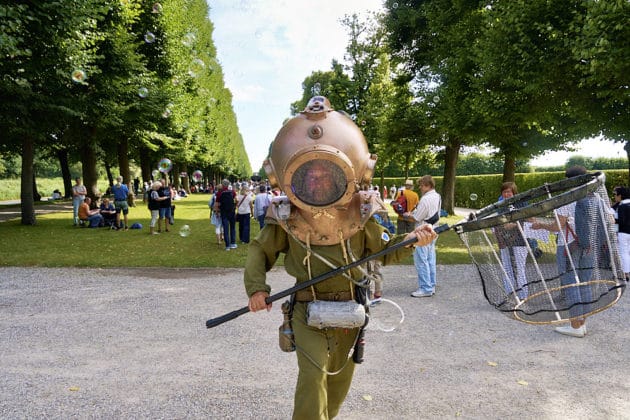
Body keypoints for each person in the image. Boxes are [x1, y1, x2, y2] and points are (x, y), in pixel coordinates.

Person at [244, 96, 437, 419]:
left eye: (325, 174)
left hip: (350, 309)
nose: (318, 180)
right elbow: (259, 250)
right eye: (311, 176)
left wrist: (412, 241)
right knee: (313, 376)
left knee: (339, 384)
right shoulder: (286, 214)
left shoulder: (361, 211)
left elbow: (382, 253)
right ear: (296, 178)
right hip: (306, 308)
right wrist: (256, 288)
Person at [531, 166, 594, 337]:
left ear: (568, 180)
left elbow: (556, 226)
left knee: (570, 284)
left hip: (568, 246)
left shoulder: (566, 199)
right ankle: (583, 323)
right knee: (585, 283)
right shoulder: (595, 198)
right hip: (589, 246)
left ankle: (575, 326)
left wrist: (541, 225)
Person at [407, 175, 441, 297]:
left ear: (428, 185)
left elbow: (417, 217)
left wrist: (407, 215)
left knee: (421, 260)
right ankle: (431, 284)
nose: (420, 187)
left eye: (422, 185)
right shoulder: (437, 196)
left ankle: (425, 288)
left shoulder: (425, 199)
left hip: (423, 231)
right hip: (434, 230)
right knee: (430, 258)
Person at [493, 182, 529, 299]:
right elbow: (498, 222)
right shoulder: (500, 205)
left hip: (520, 240)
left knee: (520, 268)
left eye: (509, 191)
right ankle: (510, 293)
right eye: (504, 192)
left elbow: (530, 218)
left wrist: (514, 224)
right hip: (505, 240)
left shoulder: (522, 203)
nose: (507, 194)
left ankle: (523, 295)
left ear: (514, 192)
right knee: (507, 267)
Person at [614, 186, 630, 280]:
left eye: (615, 195)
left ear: (620, 195)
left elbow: (622, 221)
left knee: (624, 252)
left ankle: (626, 273)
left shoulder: (621, 205)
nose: (615, 197)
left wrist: (614, 220)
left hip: (623, 232)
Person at [216, 179, 237, 250]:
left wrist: (217, 212)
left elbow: (217, 204)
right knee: (233, 228)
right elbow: (236, 199)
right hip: (231, 212)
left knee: (225, 228)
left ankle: (227, 246)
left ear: (222, 184)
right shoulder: (232, 192)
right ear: (228, 185)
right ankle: (233, 243)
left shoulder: (219, 193)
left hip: (224, 212)